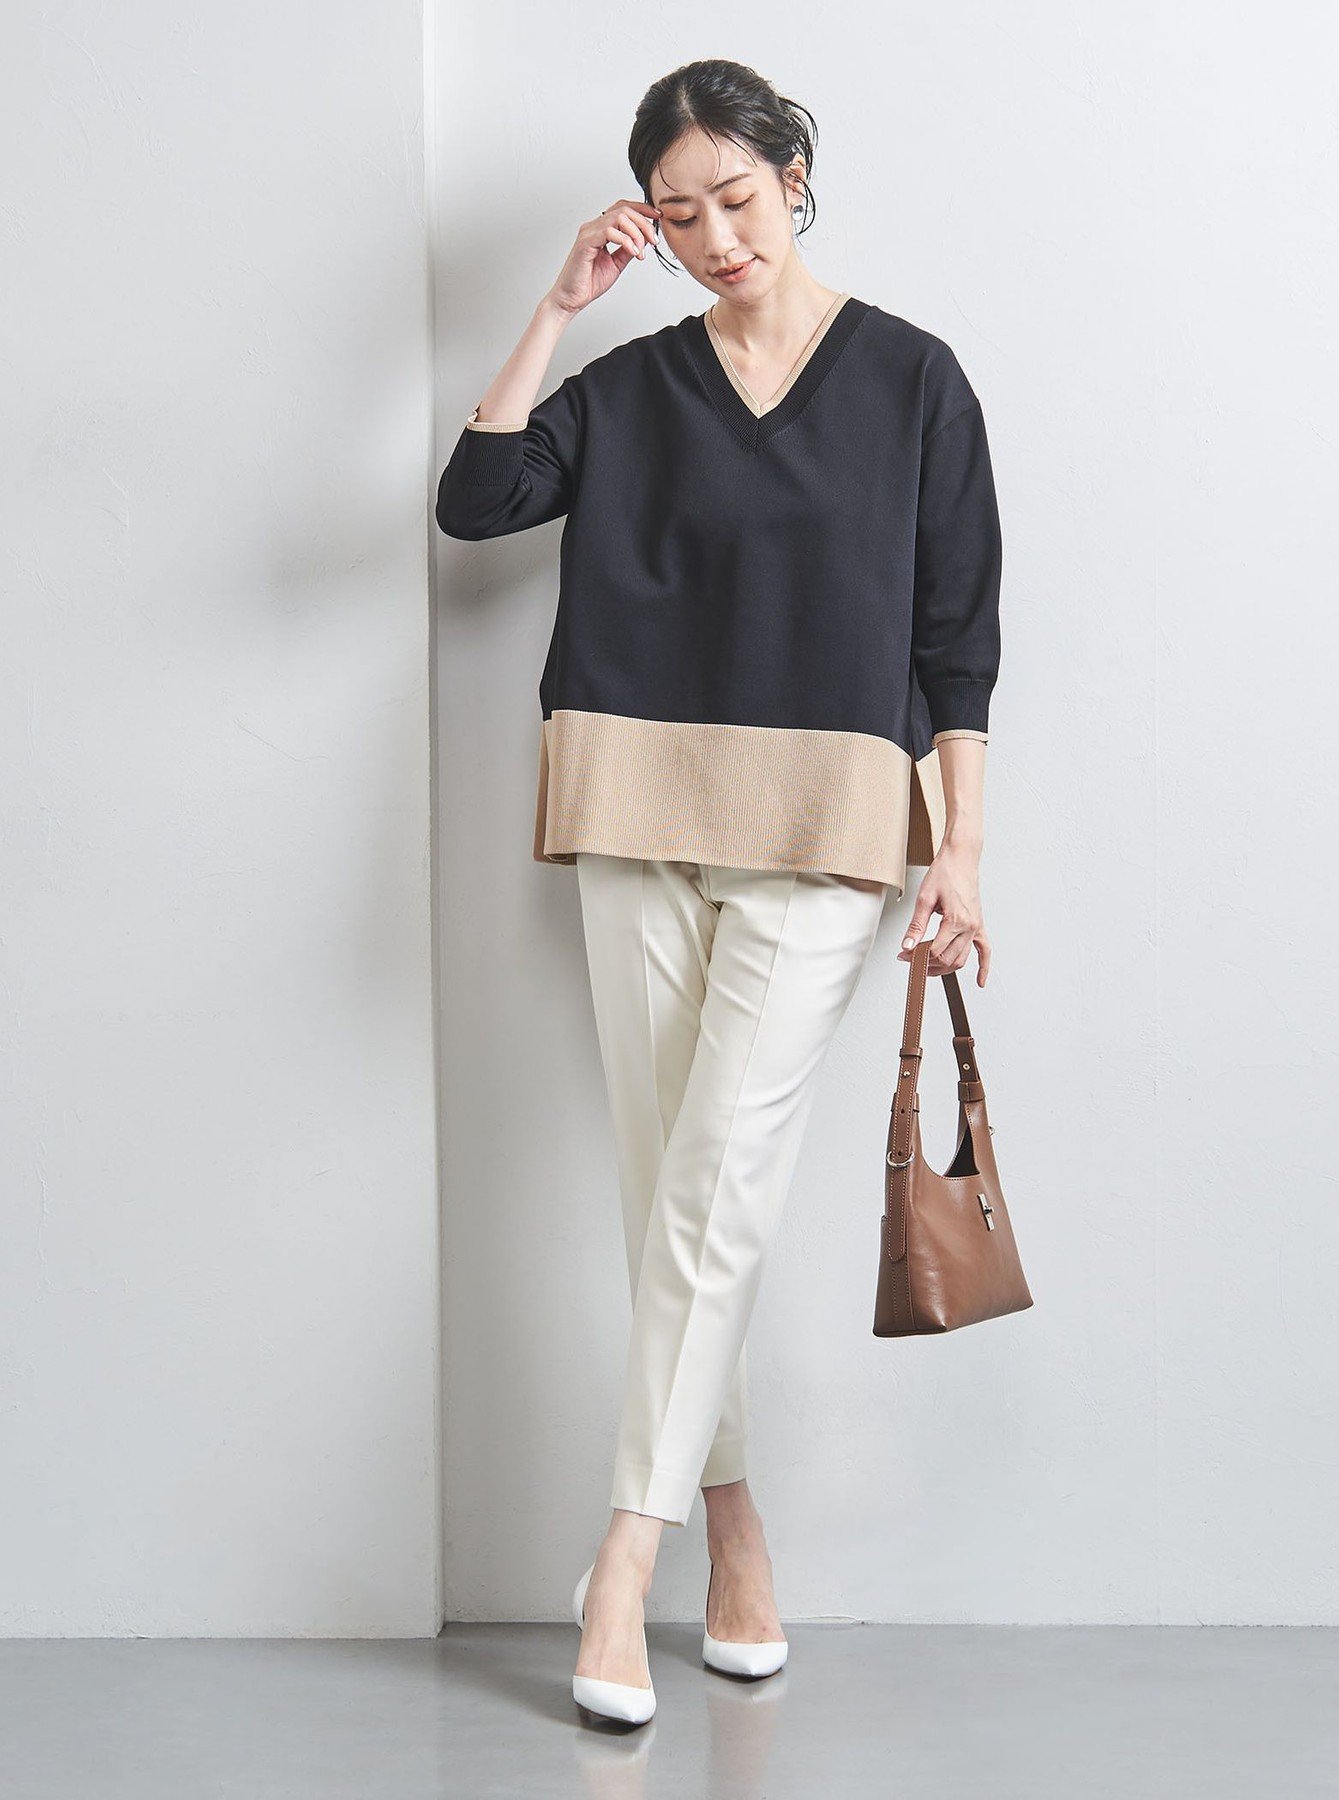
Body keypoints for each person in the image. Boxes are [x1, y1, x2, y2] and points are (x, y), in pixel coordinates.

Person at [435, 58, 1002, 1727]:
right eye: (678, 216)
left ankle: (623, 1561)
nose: (714, 238)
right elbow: (477, 501)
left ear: (795, 176)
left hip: (829, 829)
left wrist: (961, 848)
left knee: (717, 1178)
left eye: (738, 200)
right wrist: (559, 306)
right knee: (675, 1189)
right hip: (633, 810)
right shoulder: (629, 386)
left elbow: (958, 642)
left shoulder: (912, 380)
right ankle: (738, 1534)